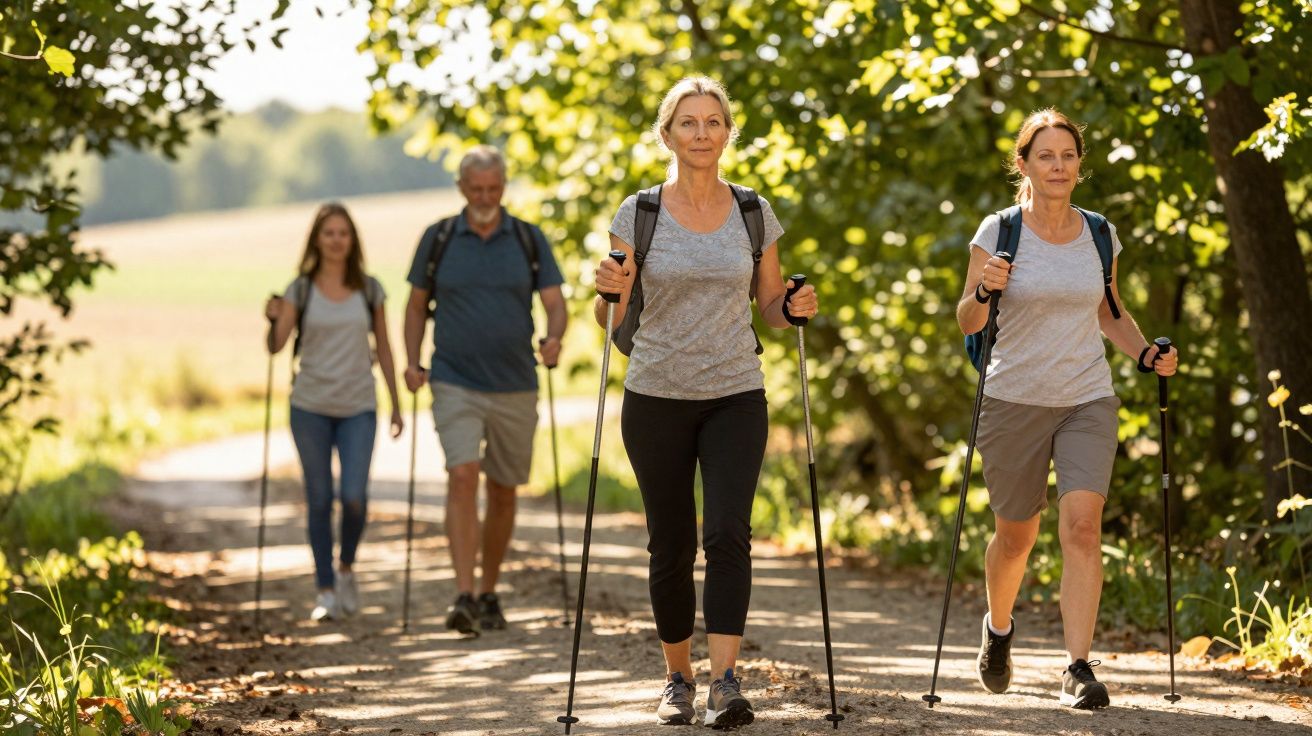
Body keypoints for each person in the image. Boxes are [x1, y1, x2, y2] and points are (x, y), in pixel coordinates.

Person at [593, 76, 818, 729]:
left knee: (727, 533)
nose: (700, 133)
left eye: (711, 121)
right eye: (687, 123)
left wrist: (795, 305)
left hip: (735, 392)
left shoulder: (753, 211)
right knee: (671, 540)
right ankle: (676, 679)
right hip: (656, 394)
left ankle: (724, 679)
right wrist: (606, 289)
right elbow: (608, 318)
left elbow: (772, 308)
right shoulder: (640, 212)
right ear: (667, 135)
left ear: (727, 132)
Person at [956, 108, 1179, 709]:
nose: (1058, 166)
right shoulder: (999, 231)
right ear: (1023, 164)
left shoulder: (1099, 233)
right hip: (1013, 398)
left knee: (1082, 527)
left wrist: (1144, 353)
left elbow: (1110, 311)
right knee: (1016, 537)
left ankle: (1077, 666)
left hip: (1087, 395)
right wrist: (983, 290)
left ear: (1080, 165)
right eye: (1045, 156)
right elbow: (967, 321)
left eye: (1068, 156)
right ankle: (998, 629)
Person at [402, 146, 567, 636]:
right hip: (454, 379)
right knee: (461, 475)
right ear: (461, 188)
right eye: (476, 189)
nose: (485, 197)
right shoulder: (439, 239)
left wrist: (554, 337)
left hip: (516, 382)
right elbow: (414, 307)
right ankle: (464, 594)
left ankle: (490, 592)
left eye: (493, 188)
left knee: (503, 490)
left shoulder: (527, 239)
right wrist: (412, 361)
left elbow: (556, 304)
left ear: (503, 187)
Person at [265, 202, 404, 622]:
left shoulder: (370, 288)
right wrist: (271, 319)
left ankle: (346, 568)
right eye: (329, 233)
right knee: (320, 499)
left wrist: (396, 403)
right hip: (309, 406)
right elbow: (275, 346)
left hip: (359, 405)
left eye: (343, 233)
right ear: (317, 240)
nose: (337, 240)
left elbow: (384, 347)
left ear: (352, 240)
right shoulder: (300, 289)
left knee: (355, 498)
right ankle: (324, 589)